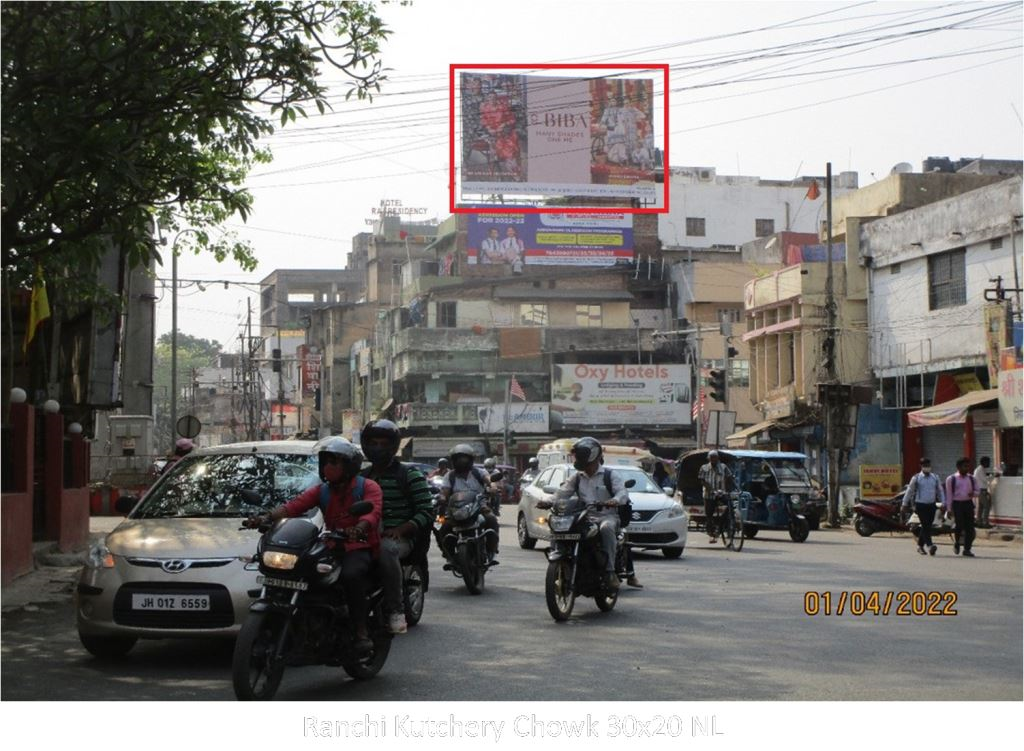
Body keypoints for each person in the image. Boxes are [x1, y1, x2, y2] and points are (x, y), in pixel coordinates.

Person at [243, 436, 382, 653]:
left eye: (334, 462)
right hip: (331, 543)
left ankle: (361, 631)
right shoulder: (323, 490)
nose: (328, 467)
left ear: (348, 466)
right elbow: (293, 507)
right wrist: (266, 518)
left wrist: (359, 528)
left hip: (358, 546)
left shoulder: (368, 487)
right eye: (326, 462)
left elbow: (372, 512)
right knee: (302, 570)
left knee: (350, 576)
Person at [359, 419, 435, 635]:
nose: (378, 448)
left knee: (385, 550)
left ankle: (395, 610)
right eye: (373, 443)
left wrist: (401, 529)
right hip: (363, 535)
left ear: (393, 446)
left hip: (398, 539)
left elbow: (426, 512)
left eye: (383, 443)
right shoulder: (361, 477)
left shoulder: (409, 475)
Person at [552, 437, 628, 591]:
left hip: (607, 516)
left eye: (580, 455)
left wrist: (614, 500)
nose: (577, 459)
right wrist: (548, 501)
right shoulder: (576, 477)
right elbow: (562, 493)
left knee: (606, 528)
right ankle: (561, 561)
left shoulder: (610, 475)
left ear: (593, 455)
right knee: (558, 527)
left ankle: (609, 572)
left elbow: (622, 493)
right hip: (583, 517)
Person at [438, 444, 500, 560]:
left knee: (491, 519)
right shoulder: (449, 476)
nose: (461, 462)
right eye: (458, 459)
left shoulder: (478, 473)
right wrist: (441, 498)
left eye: (464, 459)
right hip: (457, 510)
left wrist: (493, 487)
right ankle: (449, 555)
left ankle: (491, 549)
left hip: (479, 507)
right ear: (453, 461)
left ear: (470, 460)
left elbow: (489, 480)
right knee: (444, 527)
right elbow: (444, 491)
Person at [901, 458, 945, 556]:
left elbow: (940, 491)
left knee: (927, 526)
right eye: (925, 465)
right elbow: (909, 491)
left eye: (928, 465)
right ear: (921, 466)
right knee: (925, 525)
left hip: (931, 505)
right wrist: (904, 504)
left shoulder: (935, 477)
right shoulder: (916, 478)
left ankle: (920, 546)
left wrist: (943, 503)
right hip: (920, 505)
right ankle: (930, 545)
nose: (927, 467)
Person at [944, 457, 978, 557]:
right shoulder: (951, 479)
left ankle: (967, 549)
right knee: (959, 525)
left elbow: (978, 490)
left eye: (968, 466)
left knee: (970, 527)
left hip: (968, 503)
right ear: (958, 467)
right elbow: (949, 495)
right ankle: (957, 543)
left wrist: (973, 493)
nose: (966, 468)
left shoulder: (971, 478)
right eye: (964, 466)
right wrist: (949, 509)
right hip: (957, 504)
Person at [698, 450, 734, 544]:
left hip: (721, 493)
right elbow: (702, 481)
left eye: (715, 457)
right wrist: (711, 490)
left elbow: (730, 478)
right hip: (709, 494)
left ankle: (722, 525)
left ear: (718, 458)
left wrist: (731, 489)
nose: (713, 459)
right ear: (708, 458)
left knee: (731, 506)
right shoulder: (704, 468)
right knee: (709, 515)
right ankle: (711, 534)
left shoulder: (723, 467)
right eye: (711, 457)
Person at [974, 456, 992, 527]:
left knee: (981, 507)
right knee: (987, 506)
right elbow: (985, 480)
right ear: (984, 462)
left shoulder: (980, 469)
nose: (989, 464)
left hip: (980, 490)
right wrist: (993, 476)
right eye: (988, 462)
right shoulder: (980, 470)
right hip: (981, 491)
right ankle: (985, 522)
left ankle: (979, 522)